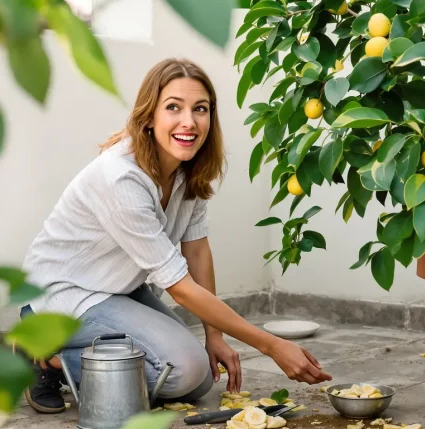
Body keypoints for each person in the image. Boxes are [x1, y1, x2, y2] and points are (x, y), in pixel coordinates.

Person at [18, 58, 333, 414]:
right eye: (173, 108)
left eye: (200, 109)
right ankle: (45, 359)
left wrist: (215, 335)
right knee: (183, 368)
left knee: (197, 378)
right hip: (62, 295)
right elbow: (180, 287)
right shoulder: (121, 178)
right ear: (149, 117)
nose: (189, 121)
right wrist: (271, 345)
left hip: (117, 290)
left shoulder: (188, 171)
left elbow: (197, 251)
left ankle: (60, 358)